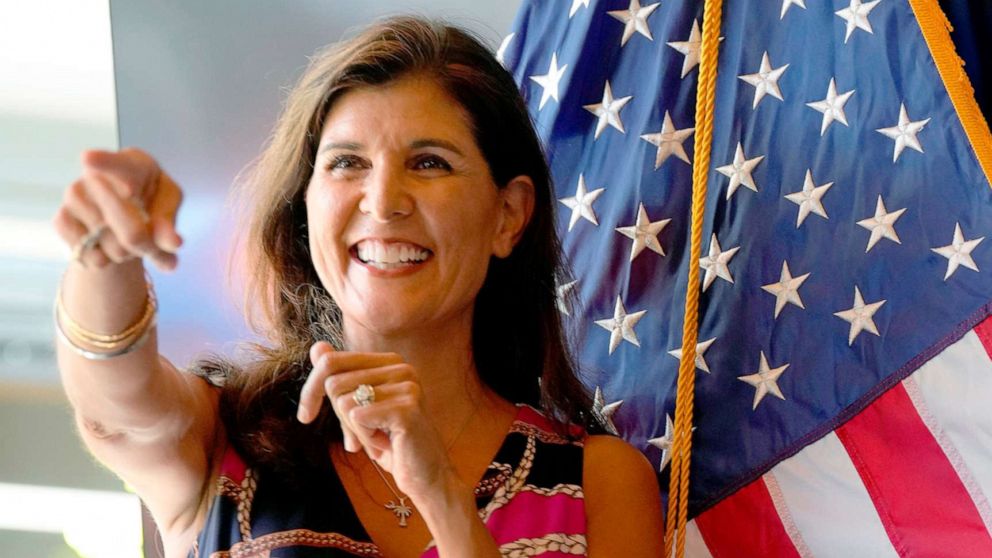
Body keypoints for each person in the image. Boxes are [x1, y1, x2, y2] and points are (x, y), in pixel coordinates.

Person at [51, 16, 664, 558]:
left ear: (508, 215)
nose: (383, 201)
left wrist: (443, 498)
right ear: (306, 206)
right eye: (347, 162)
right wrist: (104, 257)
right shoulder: (218, 441)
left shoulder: (599, 484)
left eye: (430, 163)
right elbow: (116, 409)